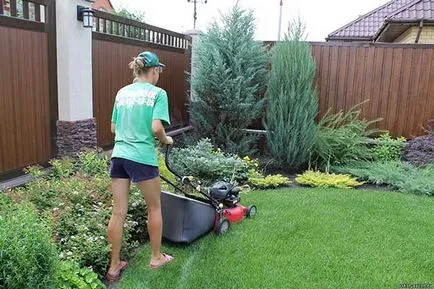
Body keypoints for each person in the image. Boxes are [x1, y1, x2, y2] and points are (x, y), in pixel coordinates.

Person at [106, 51, 174, 281]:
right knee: (154, 208)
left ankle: (114, 266)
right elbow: (156, 128)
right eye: (159, 71)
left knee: (118, 212)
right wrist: (166, 140)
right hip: (141, 157)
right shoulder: (158, 94)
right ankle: (156, 258)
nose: (159, 75)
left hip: (119, 156)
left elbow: (114, 129)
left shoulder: (122, 93)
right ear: (154, 71)